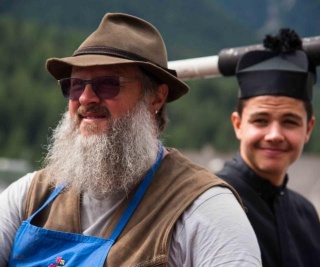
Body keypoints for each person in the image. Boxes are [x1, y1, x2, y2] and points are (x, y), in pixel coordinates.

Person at [0, 13, 261, 266]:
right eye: (76, 85)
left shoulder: (203, 208)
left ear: (155, 98)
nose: (85, 98)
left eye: (107, 84)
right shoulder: (29, 196)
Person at [216, 28, 320, 267]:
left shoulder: (307, 214)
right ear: (238, 124)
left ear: (308, 129)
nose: (274, 135)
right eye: (261, 120)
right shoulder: (213, 202)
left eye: (290, 122)